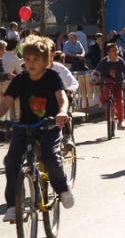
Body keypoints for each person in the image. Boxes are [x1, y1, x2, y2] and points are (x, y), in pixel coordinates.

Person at [1, 36, 73, 222]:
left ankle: (63, 189)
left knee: (50, 155)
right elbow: (6, 103)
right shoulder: (20, 80)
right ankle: (12, 205)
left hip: (49, 124)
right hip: (24, 126)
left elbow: (62, 97)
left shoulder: (52, 77)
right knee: (11, 160)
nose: (30, 63)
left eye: (36, 60)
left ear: (46, 61)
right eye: (27, 59)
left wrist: (62, 112)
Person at [47, 38, 79, 148]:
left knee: (62, 111)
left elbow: (73, 81)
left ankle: (66, 136)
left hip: (62, 97)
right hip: (43, 100)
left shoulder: (59, 68)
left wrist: (70, 90)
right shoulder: (33, 69)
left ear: (52, 53)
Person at [91, 43, 125, 130]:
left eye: (117, 50)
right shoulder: (104, 61)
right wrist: (93, 80)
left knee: (120, 102)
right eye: (113, 51)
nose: (116, 52)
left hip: (118, 82)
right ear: (108, 52)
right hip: (107, 81)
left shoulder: (120, 60)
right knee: (108, 82)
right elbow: (97, 72)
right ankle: (104, 101)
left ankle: (120, 122)